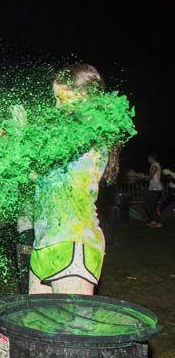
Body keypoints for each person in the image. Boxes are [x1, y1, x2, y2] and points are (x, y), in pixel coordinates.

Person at [29, 64, 115, 296]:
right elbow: (37, 172)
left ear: (85, 96)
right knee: (38, 330)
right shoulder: (61, 135)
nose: (56, 106)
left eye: (61, 98)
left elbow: (51, 150)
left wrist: (27, 135)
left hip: (73, 240)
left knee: (72, 330)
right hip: (44, 241)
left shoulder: (93, 127)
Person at [144, 152, 163, 227]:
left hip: (155, 189)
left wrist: (141, 176)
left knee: (149, 206)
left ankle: (158, 222)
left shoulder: (154, 165)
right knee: (150, 206)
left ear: (152, 158)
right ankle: (154, 221)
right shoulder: (156, 165)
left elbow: (149, 177)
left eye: (149, 158)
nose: (148, 159)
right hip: (154, 188)